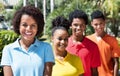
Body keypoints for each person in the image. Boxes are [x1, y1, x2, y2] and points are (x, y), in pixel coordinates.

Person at [1, 5, 55, 76]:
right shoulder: (8, 50)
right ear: (18, 25)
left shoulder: (46, 48)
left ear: (38, 27)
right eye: (24, 25)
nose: (28, 29)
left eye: (33, 25)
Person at [66, 9, 101, 76]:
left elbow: (95, 72)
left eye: (81, 25)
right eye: (75, 25)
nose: (78, 28)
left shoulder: (93, 46)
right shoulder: (65, 45)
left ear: (85, 26)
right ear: (70, 25)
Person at [87, 10, 120, 76]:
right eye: (96, 24)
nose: (99, 27)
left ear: (104, 23)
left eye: (101, 23)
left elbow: (116, 62)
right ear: (92, 24)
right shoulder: (87, 40)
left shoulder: (112, 40)